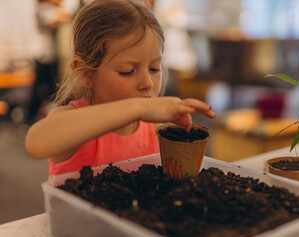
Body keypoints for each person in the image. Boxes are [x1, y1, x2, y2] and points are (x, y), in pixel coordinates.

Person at [25, 0, 215, 176]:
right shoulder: (72, 124)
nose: (147, 83)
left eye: (154, 68)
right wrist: (138, 108)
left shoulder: (153, 130)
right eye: (128, 71)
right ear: (85, 74)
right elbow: (36, 142)